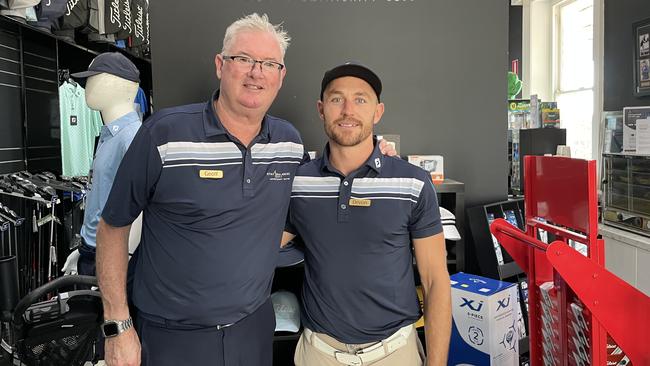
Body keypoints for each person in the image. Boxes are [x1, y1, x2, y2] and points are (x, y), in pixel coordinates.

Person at [281, 62, 452, 366]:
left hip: (394, 353)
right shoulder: (299, 182)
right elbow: (258, 242)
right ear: (321, 109)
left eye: (360, 99)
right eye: (336, 99)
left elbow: (435, 280)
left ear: (378, 111)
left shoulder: (411, 182)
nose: (348, 110)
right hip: (317, 353)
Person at [61, 52, 142, 277]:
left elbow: (142, 208)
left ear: (119, 85)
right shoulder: (108, 136)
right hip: (93, 251)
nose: (87, 86)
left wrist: (121, 261)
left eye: (95, 79)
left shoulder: (132, 138)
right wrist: (83, 249)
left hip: (111, 256)